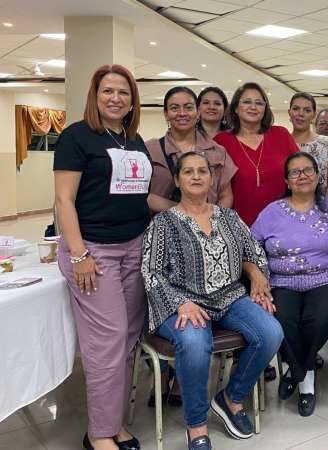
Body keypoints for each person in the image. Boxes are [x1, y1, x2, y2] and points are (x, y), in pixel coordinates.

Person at [142, 152, 283, 450]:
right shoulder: (164, 222)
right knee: (194, 343)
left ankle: (230, 398)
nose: (196, 176)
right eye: (189, 172)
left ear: (211, 178)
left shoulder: (229, 217)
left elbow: (253, 251)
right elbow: (150, 272)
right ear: (178, 180)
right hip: (183, 302)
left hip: (230, 297)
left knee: (271, 332)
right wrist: (180, 303)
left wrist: (257, 275)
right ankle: (196, 425)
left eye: (202, 171)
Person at [54, 64, 149, 450]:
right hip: (94, 252)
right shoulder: (77, 137)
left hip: (134, 247)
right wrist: (79, 255)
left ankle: (115, 424)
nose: (115, 98)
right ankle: (98, 434)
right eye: (108, 91)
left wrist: (186, 205)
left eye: (123, 93)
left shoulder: (133, 139)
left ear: (132, 101)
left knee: (127, 341)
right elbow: (64, 200)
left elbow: (138, 196)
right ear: (95, 95)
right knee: (106, 344)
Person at [251, 152, 328, 417]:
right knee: (283, 318)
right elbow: (251, 246)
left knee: (319, 319)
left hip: (326, 278)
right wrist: (258, 276)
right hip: (282, 280)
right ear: (287, 180)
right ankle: (305, 375)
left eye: (308, 170)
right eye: (295, 172)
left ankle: (298, 373)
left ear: (318, 176)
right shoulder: (272, 211)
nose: (302, 175)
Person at [214, 82, 298, 226]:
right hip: (237, 227)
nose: (253, 107)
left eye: (259, 103)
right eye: (246, 102)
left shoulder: (281, 135)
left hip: (283, 225)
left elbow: (299, 174)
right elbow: (214, 189)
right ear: (235, 108)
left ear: (265, 109)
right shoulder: (221, 141)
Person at [146, 86, 236, 213]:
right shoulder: (150, 150)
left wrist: (211, 220)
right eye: (174, 108)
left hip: (207, 228)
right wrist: (185, 213)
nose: (182, 113)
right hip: (164, 227)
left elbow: (226, 196)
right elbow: (143, 195)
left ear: (198, 112)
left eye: (188, 107)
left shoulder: (218, 152)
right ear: (166, 114)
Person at [288, 92, 328, 198]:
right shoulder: (281, 142)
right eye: (296, 109)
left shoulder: (327, 144)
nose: (301, 114)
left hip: (320, 209)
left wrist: (325, 211)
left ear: (313, 115)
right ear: (290, 112)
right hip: (285, 209)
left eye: (307, 110)